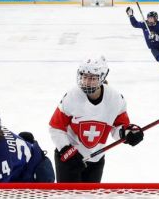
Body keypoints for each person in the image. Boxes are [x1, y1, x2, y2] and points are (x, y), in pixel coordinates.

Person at [48, 56, 141, 184]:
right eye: (84, 76)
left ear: (102, 77)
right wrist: (66, 150)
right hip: (69, 158)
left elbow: (118, 127)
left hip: (96, 158)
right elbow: (56, 127)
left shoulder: (115, 99)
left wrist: (126, 134)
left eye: (92, 78)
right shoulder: (72, 97)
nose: (87, 81)